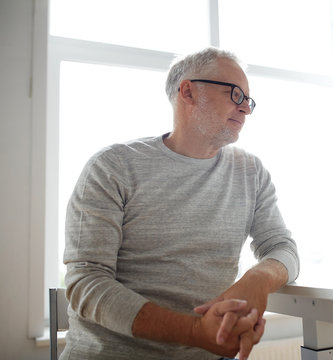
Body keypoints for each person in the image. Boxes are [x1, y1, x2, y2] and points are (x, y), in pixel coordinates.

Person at [61, 47, 300, 360]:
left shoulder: (251, 172)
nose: (246, 109)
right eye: (235, 94)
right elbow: (86, 282)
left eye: (249, 99)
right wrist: (194, 332)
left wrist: (259, 278)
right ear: (188, 91)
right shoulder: (113, 166)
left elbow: (282, 247)